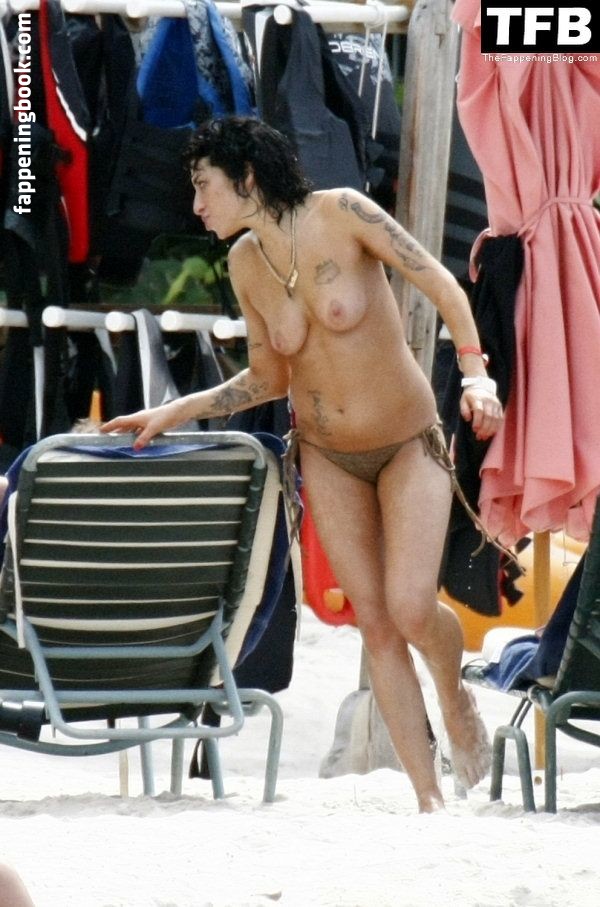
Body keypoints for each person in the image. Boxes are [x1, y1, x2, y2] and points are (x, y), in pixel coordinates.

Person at [101, 115, 504, 812]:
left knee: (412, 607)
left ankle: (452, 689)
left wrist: (476, 376)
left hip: (407, 441)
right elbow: (269, 378)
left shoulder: (344, 212)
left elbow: (442, 285)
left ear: (246, 177)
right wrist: (178, 409)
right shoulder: (244, 263)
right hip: (327, 455)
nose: (196, 205)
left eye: (203, 185)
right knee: (375, 622)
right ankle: (429, 800)